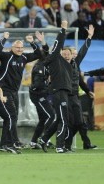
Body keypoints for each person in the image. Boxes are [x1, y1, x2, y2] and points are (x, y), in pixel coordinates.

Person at [0, 32, 43, 153]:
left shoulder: (24, 58)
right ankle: (12, 142)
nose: (20, 49)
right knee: (12, 116)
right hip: (3, 90)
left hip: (14, 92)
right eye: (17, 47)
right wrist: (4, 38)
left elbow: (39, 54)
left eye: (21, 47)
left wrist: (32, 42)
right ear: (12, 48)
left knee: (11, 118)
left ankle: (4, 144)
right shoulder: (7, 56)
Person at [38, 20, 73, 153]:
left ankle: (43, 139)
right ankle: (59, 147)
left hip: (62, 91)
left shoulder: (61, 62)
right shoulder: (54, 58)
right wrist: (63, 29)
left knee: (59, 118)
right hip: (59, 91)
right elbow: (58, 44)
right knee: (64, 119)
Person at [62, 26, 97, 150]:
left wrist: (89, 37)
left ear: (72, 55)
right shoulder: (59, 65)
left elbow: (83, 51)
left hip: (75, 97)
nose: (67, 56)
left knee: (78, 122)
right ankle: (64, 145)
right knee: (74, 122)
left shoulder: (75, 64)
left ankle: (67, 145)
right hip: (65, 96)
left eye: (69, 54)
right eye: (65, 54)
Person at [28, 32, 56, 149]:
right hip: (38, 94)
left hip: (40, 93)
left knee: (43, 118)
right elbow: (38, 84)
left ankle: (34, 142)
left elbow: (46, 50)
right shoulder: (40, 66)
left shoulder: (45, 64)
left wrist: (42, 41)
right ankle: (44, 139)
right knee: (51, 115)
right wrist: (47, 88)